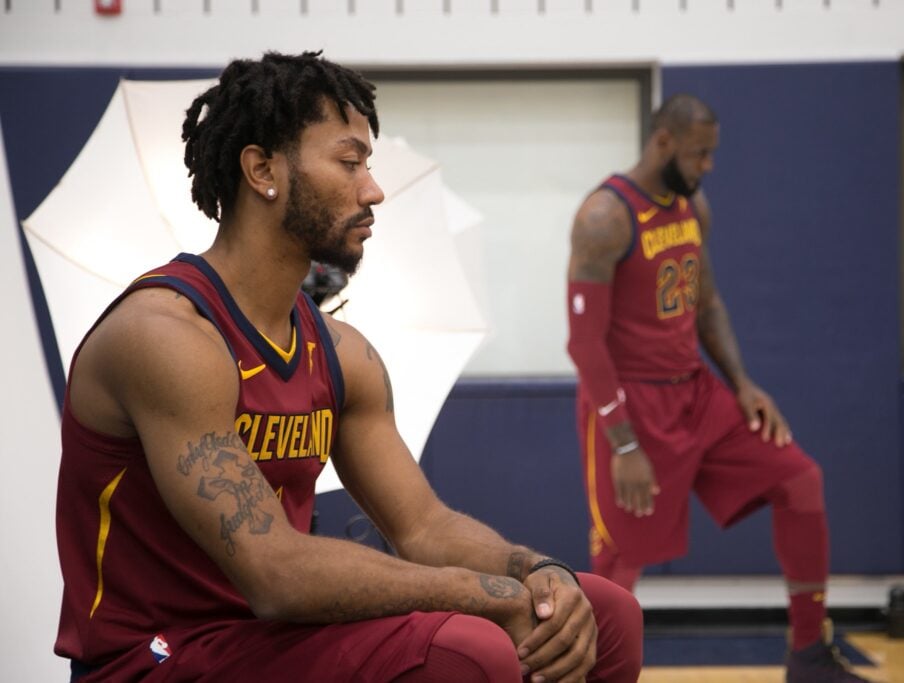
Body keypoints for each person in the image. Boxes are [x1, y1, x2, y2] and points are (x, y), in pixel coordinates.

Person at [54, 51, 642, 683]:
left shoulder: (341, 352)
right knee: (471, 651)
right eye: (349, 161)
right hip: (159, 656)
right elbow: (274, 572)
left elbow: (422, 525)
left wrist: (536, 572)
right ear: (262, 170)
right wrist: (482, 595)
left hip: (273, 644)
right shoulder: (167, 338)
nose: (373, 189)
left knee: (602, 612)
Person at [565, 93, 870, 683]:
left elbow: (707, 305)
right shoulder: (604, 218)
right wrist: (624, 444)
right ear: (664, 143)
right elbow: (585, 345)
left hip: (699, 394)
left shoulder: (692, 207)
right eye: (700, 154)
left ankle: (807, 654)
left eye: (711, 155)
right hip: (633, 405)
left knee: (799, 479)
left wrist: (744, 384)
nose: (707, 166)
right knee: (617, 560)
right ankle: (593, 673)